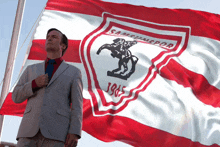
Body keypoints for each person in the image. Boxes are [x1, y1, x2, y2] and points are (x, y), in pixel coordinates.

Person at [12, 28, 83, 147]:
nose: (49, 38)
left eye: (54, 37)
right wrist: (34, 84)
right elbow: (16, 96)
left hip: (56, 135)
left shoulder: (74, 72)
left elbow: (77, 105)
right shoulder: (31, 70)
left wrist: (75, 132)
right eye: (48, 37)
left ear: (63, 46)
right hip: (28, 133)